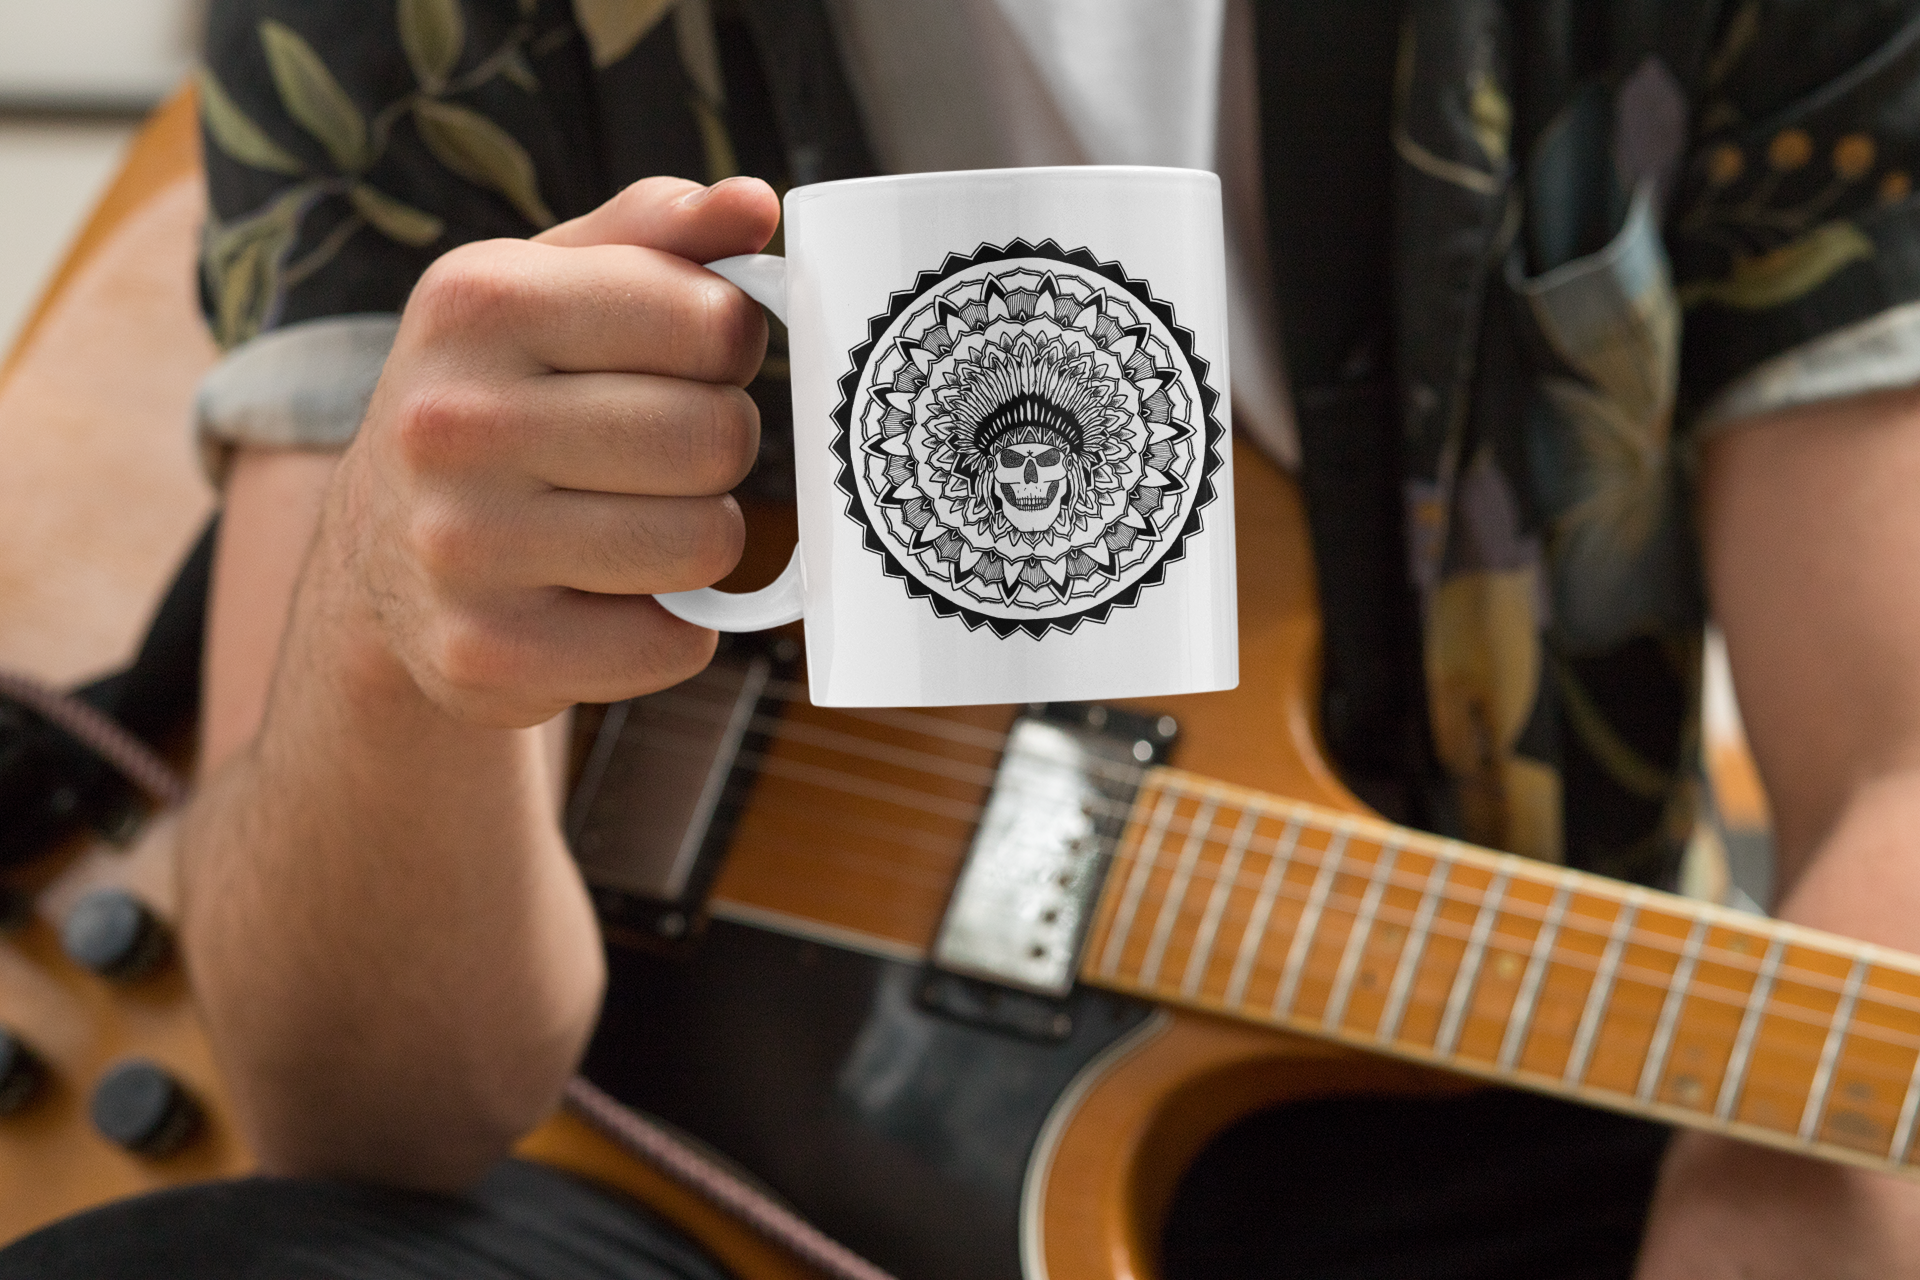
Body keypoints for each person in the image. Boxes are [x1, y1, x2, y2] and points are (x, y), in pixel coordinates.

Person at [8, 1, 1920, 1276]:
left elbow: (1898, 771)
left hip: (1466, 1101)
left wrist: (1791, 1195)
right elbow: (344, 1102)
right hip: (649, 1152)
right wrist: (385, 622)